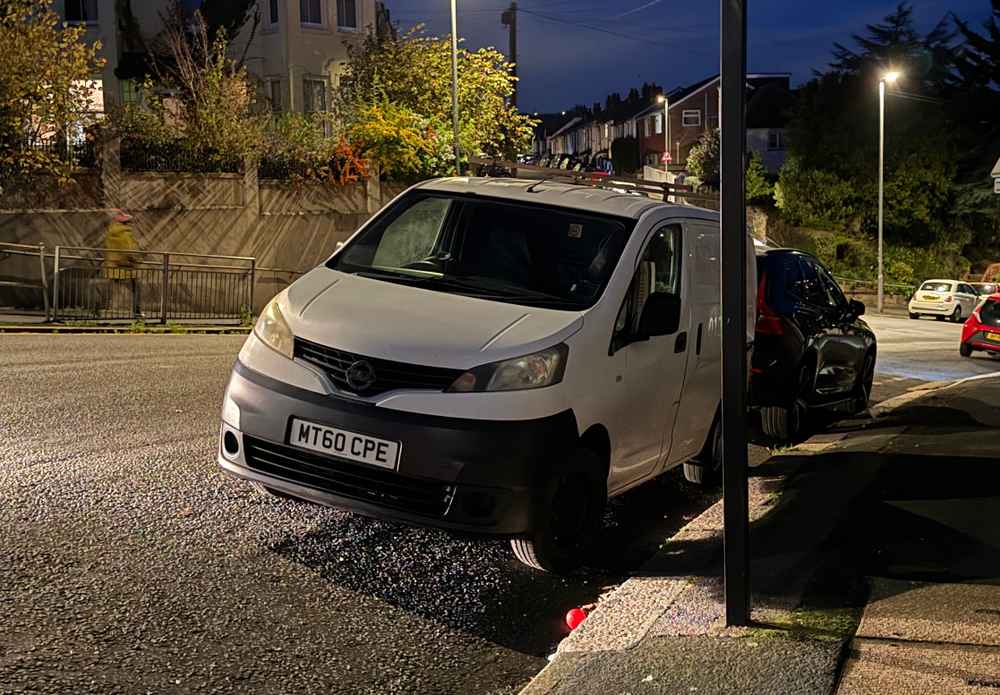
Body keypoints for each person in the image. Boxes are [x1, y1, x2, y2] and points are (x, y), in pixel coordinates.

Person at [103, 210, 142, 318]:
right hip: (125, 267)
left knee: (109, 288)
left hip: (112, 266)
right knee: (136, 288)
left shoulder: (110, 233)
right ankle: (136, 312)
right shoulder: (126, 234)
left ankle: (97, 310)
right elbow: (130, 250)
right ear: (126, 223)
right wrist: (136, 259)